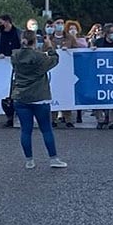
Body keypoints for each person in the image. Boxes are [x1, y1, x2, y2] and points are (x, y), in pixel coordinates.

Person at [11, 30, 67, 169]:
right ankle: (53, 158)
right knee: (46, 129)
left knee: (25, 130)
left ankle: (29, 160)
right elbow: (55, 60)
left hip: (20, 96)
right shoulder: (40, 57)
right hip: (39, 97)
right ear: (35, 41)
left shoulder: (15, 55)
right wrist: (49, 47)